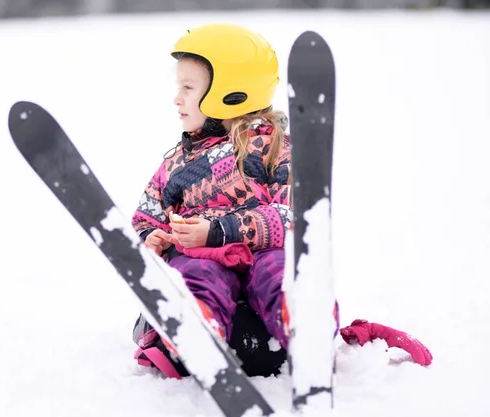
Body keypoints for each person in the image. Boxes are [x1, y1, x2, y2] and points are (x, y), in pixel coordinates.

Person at [130, 23, 432, 379]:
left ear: (230, 92)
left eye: (188, 87)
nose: (176, 97)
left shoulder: (274, 147)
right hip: (201, 259)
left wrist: (218, 231)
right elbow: (147, 218)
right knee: (194, 274)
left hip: (265, 255)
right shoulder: (176, 163)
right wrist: (157, 239)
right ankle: (196, 329)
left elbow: (292, 214)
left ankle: (304, 325)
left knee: (282, 273)